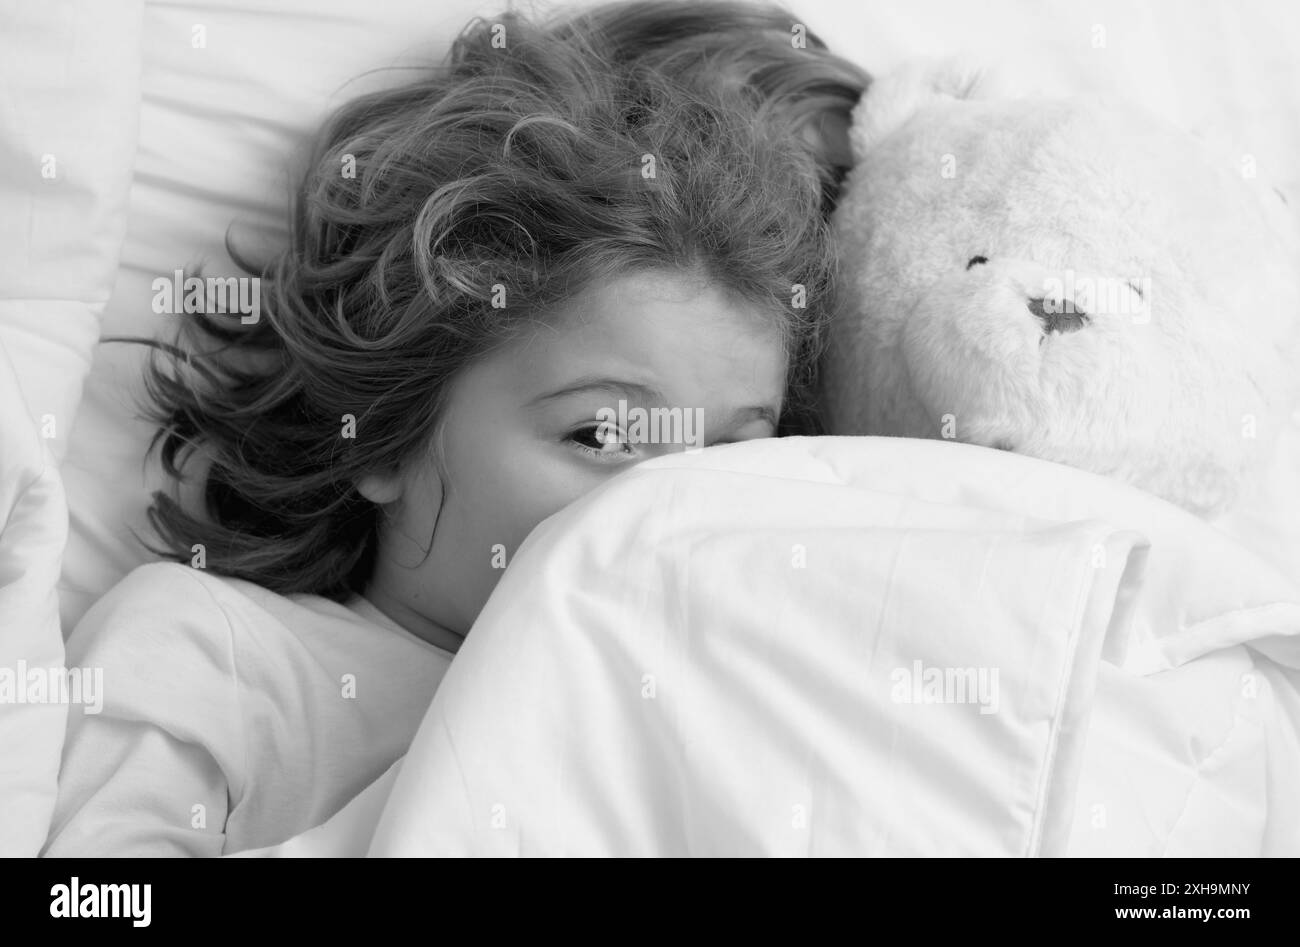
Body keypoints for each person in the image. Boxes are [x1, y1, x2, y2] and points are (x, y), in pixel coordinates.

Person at [42, 0, 868, 856]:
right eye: (603, 435)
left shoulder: (727, 717)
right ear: (387, 436)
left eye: (734, 457)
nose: (669, 510)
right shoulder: (216, 653)